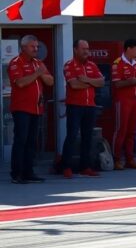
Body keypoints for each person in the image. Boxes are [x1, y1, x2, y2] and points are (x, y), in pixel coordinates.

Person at [8, 35, 54, 184]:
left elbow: (50, 81)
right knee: (21, 140)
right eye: (32, 46)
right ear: (23, 48)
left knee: (32, 142)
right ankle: (17, 174)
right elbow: (20, 83)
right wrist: (37, 73)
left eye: (37, 46)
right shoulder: (16, 62)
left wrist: (41, 74)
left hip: (36, 108)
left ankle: (29, 172)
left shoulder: (38, 63)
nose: (36, 49)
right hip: (21, 108)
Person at [61, 40, 104, 178]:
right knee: (72, 136)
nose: (86, 51)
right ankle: (66, 167)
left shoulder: (92, 65)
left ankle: (85, 167)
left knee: (88, 137)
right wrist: (92, 83)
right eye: (83, 48)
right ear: (75, 49)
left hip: (90, 106)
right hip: (74, 106)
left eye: (87, 48)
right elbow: (74, 85)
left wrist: (86, 80)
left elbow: (102, 82)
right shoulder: (69, 65)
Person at [111, 38, 136, 170]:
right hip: (122, 101)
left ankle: (130, 159)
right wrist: (132, 81)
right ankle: (116, 159)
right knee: (121, 130)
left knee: (132, 131)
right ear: (128, 49)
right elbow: (117, 84)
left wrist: (134, 81)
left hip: (135, 100)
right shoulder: (117, 63)